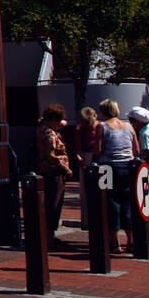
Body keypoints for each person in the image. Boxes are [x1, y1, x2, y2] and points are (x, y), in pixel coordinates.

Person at [96, 99, 141, 253]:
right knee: (127, 201)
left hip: (108, 167)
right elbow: (136, 149)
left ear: (103, 112)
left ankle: (114, 241)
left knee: (110, 201)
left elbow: (98, 149)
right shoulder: (128, 126)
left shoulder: (102, 126)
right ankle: (131, 239)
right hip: (127, 166)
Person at [34, 104, 73, 248]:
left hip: (46, 170)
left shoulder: (41, 129)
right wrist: (65, 169)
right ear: (54, 119)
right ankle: (49, 235)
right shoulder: (49, 134)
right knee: (54, 204)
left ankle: (48, 234)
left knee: (50, 203)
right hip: (54, 172)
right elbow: (51, 155)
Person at [129, 107, 149, 243]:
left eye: (132, 120)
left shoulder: (145, 134)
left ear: (138, 121)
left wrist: (141, 164)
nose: (131, 124)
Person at [77, 107, 99, 230]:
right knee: (85, 191)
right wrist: (82, 163)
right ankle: (87, 221)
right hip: (87, 157)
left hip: (98, 158)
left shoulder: (100, 127)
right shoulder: (80, 129)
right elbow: (78, 149)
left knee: (105, 188)